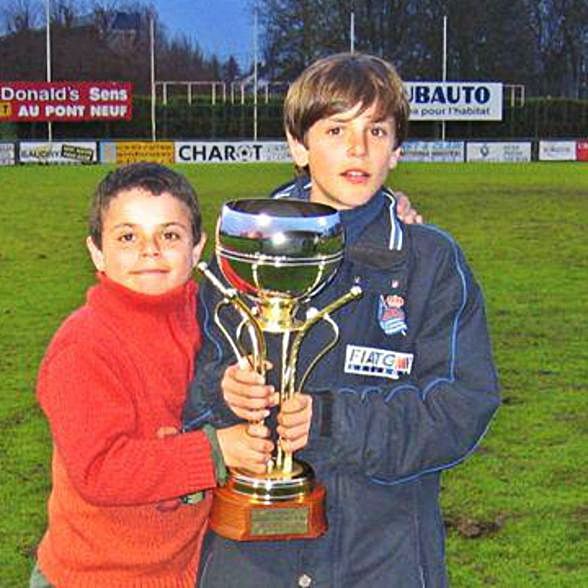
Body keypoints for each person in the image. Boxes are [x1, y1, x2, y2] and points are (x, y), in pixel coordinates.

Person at [184, 52, 500, 588]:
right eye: (336, 129)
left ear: (397, 150)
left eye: (376, 130)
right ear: (297, 145)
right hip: (252, 562)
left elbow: (461, 408)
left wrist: (334, 422)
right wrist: (222, 391)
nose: (358, 148)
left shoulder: (431, 263)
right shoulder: (241, 254)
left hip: (383, 557)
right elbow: (179, 388)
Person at [30, 162, 275, 588]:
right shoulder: (83, 346)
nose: (150, 250)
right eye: (128, 236)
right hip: (94, 578)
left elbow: (286, 262)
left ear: (198, 248)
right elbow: (99, 471)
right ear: (96, 251)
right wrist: (216, 451)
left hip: (185, 569)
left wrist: (390, 212)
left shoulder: (213, 317)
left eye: (170, 235)